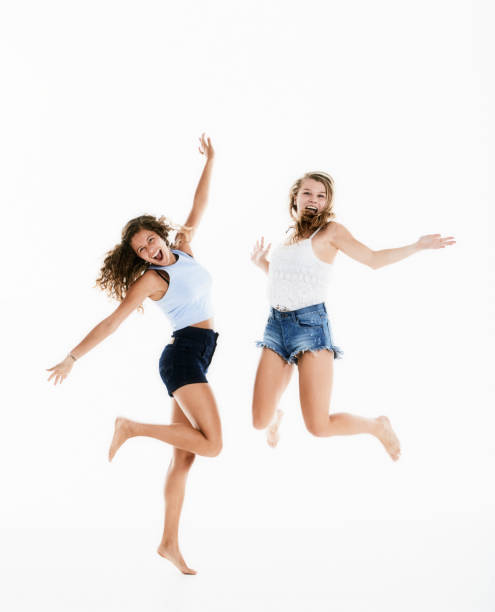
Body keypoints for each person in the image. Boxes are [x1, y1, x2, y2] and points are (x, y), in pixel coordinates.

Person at [47, 134, 220, 574]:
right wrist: (72, 356)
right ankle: (132, 427)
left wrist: (211, 161)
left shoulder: (183, 248)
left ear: (160, 233)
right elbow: (112, 322)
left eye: (150, 241)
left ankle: (168, 543)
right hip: (183, 357)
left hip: (199, 355)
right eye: (142, 250)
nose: (150, 250)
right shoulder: (150, 279)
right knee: (213, 444)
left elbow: (199, 204)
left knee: (185, 456)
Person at [251, 171, 455, 456]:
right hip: (275, 326)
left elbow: (372, 259)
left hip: (310, 328)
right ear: (295, 198)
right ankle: (275, 418)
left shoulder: (331, 232)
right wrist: (263, 264)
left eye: (321, 196)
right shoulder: (289, 237)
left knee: (318, 426)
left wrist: (417, 246)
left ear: (326, 203)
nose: (314, 200)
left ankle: (377, 426)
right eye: (308, 193)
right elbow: (287, 280)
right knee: (259, 420)